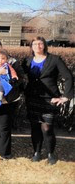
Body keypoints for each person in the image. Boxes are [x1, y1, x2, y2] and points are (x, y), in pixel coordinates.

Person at [22, 37, 73, 165]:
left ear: (44, 45)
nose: (37, 46)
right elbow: (18, 75)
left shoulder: (55, 60)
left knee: (47, 128)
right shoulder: (27, 61)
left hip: (50, 99)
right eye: (34, 44)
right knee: (35, 127)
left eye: (40, 43)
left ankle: (50, 153)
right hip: (32, 98)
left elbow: (68, 77)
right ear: (31, 46)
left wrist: (65, 96)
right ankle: (37, 153)